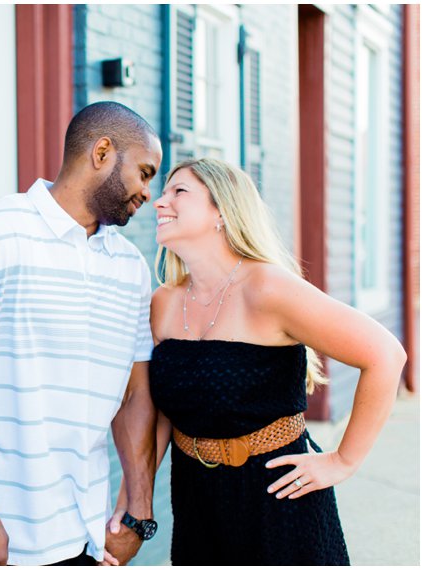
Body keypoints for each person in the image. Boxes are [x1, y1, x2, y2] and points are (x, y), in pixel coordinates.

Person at [103, 157, 407, 565]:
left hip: (279, 497)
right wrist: (132, 510)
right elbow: (157, 417)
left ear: (222, 213)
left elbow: (385, 355)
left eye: (179, 192)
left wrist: (342, 460)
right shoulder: (163, 304)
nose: (160, 203)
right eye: (163, 192)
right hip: (197, 500)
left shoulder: (267, 287)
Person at [0, 101, 163, 565]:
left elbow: (135, 394)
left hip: (90, 534)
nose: (149, 192)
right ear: (102, 152)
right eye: (144, 172)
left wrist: (138, 513)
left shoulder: (130, 267)